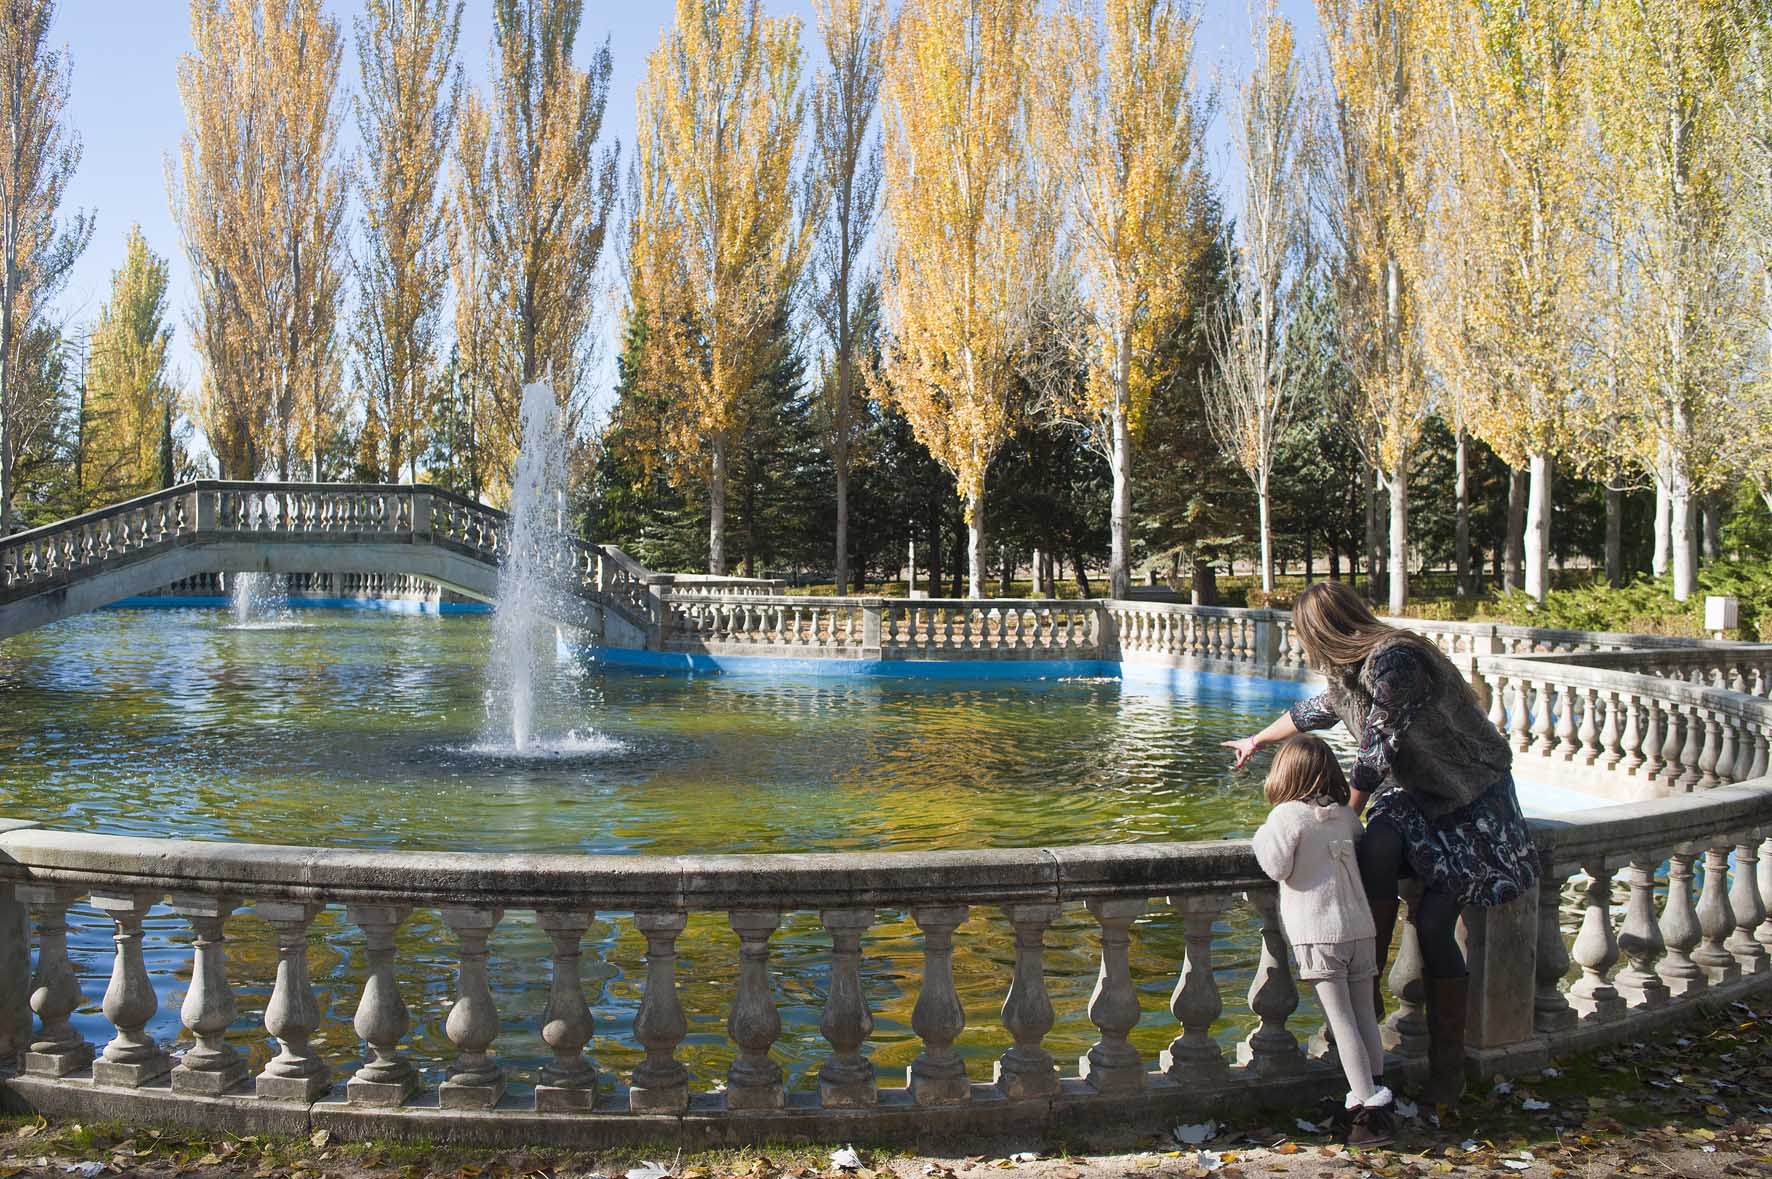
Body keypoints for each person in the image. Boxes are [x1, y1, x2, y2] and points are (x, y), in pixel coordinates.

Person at [1223, 580, 1535, 1110]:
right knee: (1377, 850)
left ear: (1324, 628)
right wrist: (1256, 740)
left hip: (1472, 801)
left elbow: (1377, 747)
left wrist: (1346, 813)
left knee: (1436, 926)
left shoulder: (1396, 662)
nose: (1303, 644)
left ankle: (1447, 1076)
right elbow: (1311, 712)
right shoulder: (1351, 675)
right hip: (1421, 799)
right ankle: (1364, 977)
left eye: (1304, 634)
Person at [1253, 735, 1394, 1147]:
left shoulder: (1285, 818)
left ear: (1284, 773)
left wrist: (1261, 835)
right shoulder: (1345, 817)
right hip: (1360, 929)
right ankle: (1378, 1096)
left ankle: (1366, 1110)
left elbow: (1276, 865)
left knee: (1342, 1021)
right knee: (1366, 1016)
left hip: (1320, 933)